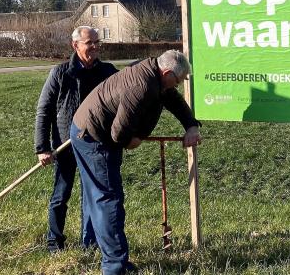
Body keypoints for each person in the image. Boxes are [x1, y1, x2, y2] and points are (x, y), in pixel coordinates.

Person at [70, 50, 201, 275]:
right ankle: (115, 267)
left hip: (92, 132)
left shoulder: (155, 74)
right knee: (108, 200)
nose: (178, 85)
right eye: (178, 81)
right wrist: (134, 139)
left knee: (100, 196)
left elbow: (173, 100)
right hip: (93, 138)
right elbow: (119, 133)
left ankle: (103, 251)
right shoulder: (141, 86)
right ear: (167, 73)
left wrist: (191, 125)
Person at [34, 25, 118, 253]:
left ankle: (89, 243)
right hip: (65, 145)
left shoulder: (108, 72)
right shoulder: (61, 73)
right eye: (89, 43)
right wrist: (42, 148)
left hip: (95, 146)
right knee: (61, 195)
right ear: (75, 45)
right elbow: (44, 111)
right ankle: (54, 242)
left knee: (91, 196)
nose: (95, 47)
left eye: (97, 42)